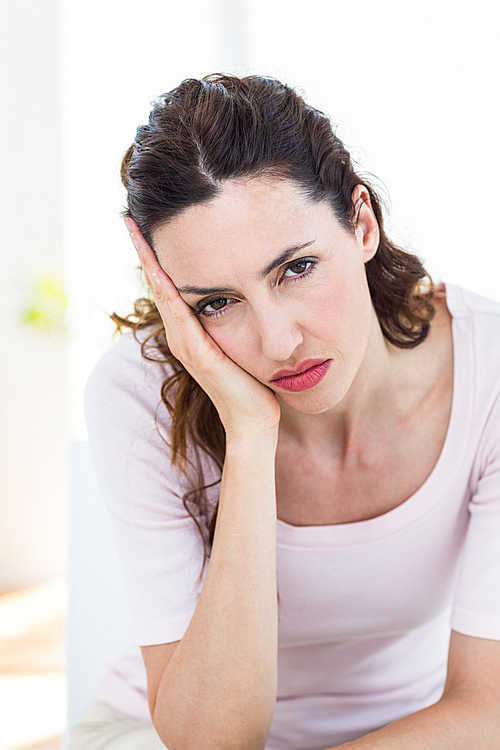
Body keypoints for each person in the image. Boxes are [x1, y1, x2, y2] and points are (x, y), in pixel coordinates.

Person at [68, 74, 500, 750]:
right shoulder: (139, 394)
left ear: (361, 222)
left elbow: (488, 709)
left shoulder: (489, 369)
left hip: (418, 732)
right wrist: (248, 433)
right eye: (215, 302)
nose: (278, 342)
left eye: (295, 268)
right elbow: (212, 740)